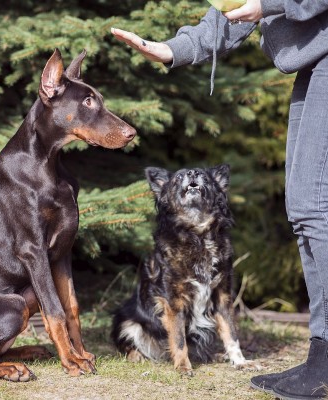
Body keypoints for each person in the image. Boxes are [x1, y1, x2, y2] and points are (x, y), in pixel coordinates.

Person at [111, 1, 328, 399]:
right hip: (313, 60)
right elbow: (230, 11)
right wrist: (173, 48)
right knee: (303, 210)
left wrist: (270, 5)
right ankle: (323, 353)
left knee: (316, 209)